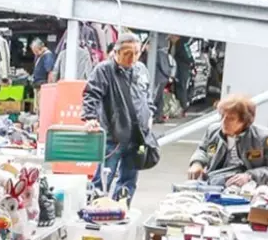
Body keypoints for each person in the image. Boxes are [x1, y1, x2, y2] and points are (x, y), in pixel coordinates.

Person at [83, 32, 156, 202]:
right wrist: (90, 117)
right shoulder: (104, 70)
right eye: (127, 54)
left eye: (137, 53)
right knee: (103, 179)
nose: (133, 58)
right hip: (113, 136)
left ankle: (121, 210)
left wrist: (150, 114)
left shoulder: (141, 69)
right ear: (116, 53)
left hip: (138, 136)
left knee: (129, 180)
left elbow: (147, 96)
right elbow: (91, 94)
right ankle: (96, 210)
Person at [188, 94, 268, 187]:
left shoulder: (265, 138)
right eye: (222, 116)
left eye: (230, 119)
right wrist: (197, 163)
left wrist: (250, 176)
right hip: (214, 180)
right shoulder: (213, 131)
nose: (224, 122)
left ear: (244, 121)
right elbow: (202, 150)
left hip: (250, 186)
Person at [169, 35, 194, 114]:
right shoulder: (184, 43)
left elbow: (184, 56)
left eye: (171, 38)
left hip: (182, 69)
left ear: (176, 37)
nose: (170, 40)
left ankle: (182, 107)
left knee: (181, 88)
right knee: (182, 87)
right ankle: (183, 106)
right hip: (184, 68)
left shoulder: (180, 44)